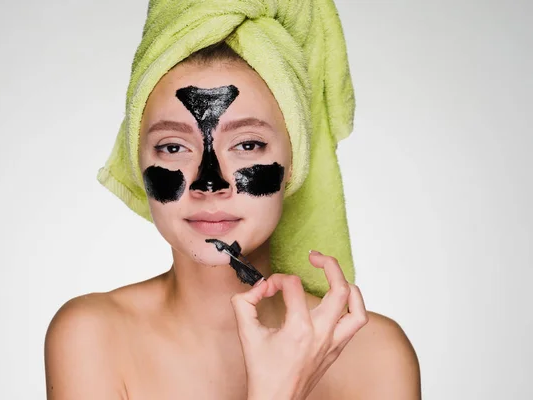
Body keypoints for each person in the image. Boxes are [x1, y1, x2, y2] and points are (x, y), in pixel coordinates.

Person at [45, 2, 421, 399]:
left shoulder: (376, 354)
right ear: (138, 163)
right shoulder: (92, 336)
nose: (210, 184)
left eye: (247, 144)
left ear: (294, 162)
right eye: (173, 147)